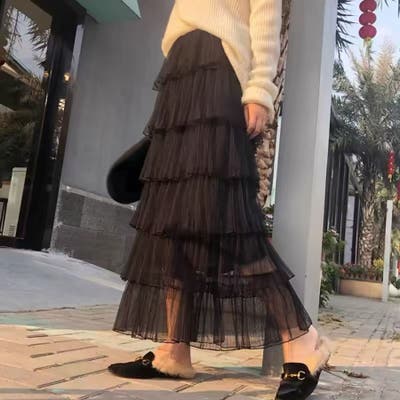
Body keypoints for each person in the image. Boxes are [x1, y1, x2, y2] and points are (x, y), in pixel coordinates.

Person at [108, 1, 333, 399]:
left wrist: (260, 88)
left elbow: (266, 11)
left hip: (219, 67)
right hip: (182, 70)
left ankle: (302, 337)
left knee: (225, 216)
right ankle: (174, 350)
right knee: (171, 219)